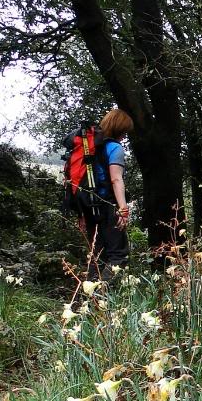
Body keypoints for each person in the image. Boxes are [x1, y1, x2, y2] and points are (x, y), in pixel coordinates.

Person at [79, 108, 134, 280]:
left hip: (89, 207)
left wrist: (81, 213)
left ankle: (89, 301)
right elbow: (116, 179)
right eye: (125, 131)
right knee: (118, 256)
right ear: (120, 129)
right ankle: (102, 296)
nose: (125, 135)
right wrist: (123, 209)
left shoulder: (89, 148)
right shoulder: (114, 148)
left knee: (97, 257)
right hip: (108, 206)